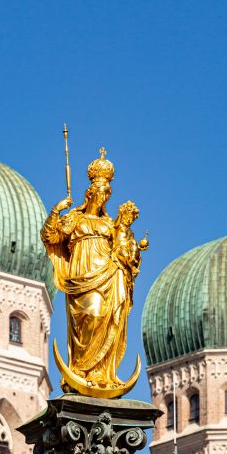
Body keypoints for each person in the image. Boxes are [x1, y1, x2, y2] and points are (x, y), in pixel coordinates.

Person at [40, 151, 142, 391]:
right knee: (90, 315)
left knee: (108, 319)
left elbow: (124, 248)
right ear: (89, 194)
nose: (101, 196)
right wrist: (56, 211)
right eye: (97, 192)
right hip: (82, 275)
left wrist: (130, 259)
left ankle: (101, 373)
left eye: (105, 193)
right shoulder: (74, 219)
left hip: (109, 274)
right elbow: (50, 236)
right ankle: (80, 368)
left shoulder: (110, 224)